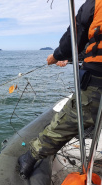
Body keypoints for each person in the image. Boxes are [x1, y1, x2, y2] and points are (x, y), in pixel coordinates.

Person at [18, 0, 102, 178]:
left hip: (96, 84)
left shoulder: (95, 4)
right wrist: (70, 58)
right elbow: (93, 43)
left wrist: (56, 56)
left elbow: (73, 39)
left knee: (68, 119)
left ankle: (31, 155)